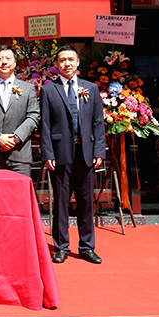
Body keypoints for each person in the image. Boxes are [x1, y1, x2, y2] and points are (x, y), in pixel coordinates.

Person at [40, 45, 106, 265]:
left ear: (78, 62)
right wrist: (48, 152)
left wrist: (99, 150)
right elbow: (45, 124)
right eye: (62, 60)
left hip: (86, 153)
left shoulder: (91, 88)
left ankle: (87, 247)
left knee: (86, 202)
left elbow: (98, 122)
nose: (67, 63)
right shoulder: (49, 90)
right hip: (60, 153)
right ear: (56, 64)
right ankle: (61, 247)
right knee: (61, 203)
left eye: (71, 59)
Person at [0, 44, 39, 175]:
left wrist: (15, 138)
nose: (4, 62)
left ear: (15, 63)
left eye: (8, 58)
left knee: (20, 189)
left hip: (20, 155)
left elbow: (33, 116)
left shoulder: (28, 88)